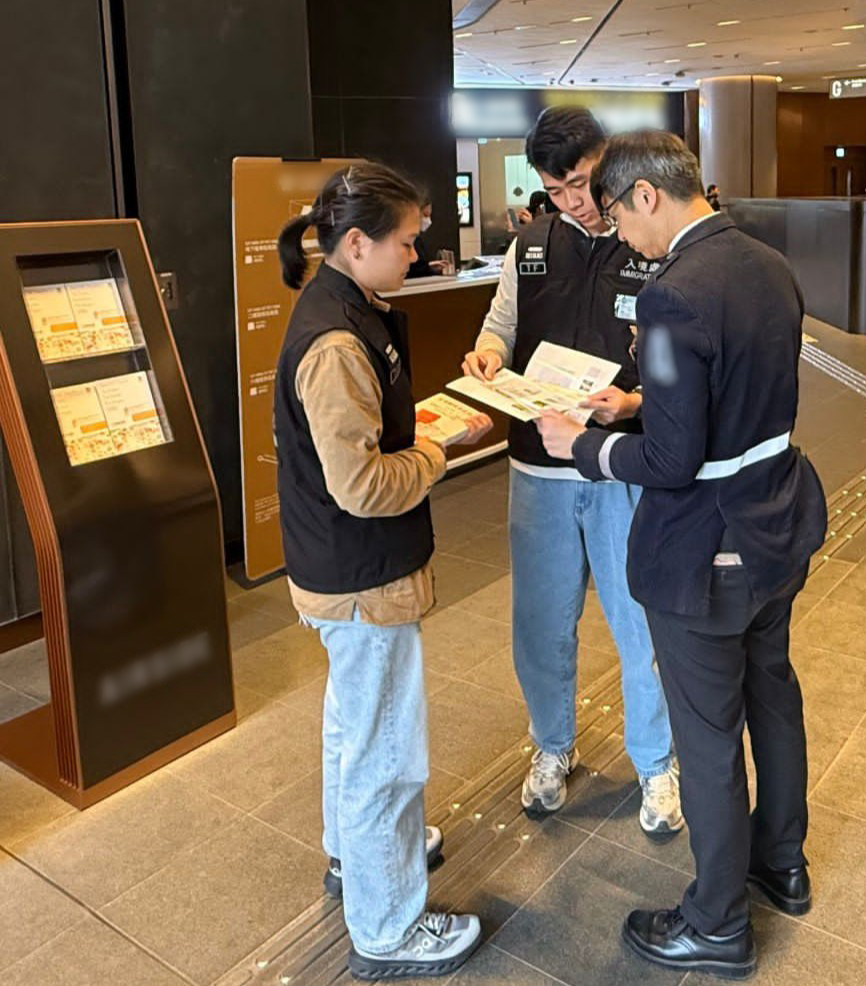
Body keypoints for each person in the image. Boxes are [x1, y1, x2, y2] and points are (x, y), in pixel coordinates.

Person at [538, 131, 827, 978]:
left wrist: (582, 446)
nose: (622, 236)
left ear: (647, 196)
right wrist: (639, 402)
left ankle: (716, 922)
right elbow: (732, 389)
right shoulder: (768, 264)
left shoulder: (672, 294)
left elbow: (671, 463)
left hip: (708, 551)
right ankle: (783, 865)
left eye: (619, 216)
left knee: (706, 736)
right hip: (776, 527)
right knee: (773, 698)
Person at [275, 162, 492, 981]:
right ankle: (389, 925)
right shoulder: (336, 343)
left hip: (340, 565)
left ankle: (354, 855)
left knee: (354, 725)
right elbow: (362, 486)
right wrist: (439, 447)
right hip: (360, 575)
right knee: (386, 754)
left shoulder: (345, 306)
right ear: (357, 243)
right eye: (405, 242)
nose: (416, 256)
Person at [461, 106, 682, 838]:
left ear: (607, 161)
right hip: (538, 468)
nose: (573, 203)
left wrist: (637, 405)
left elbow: (682, 358)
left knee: (640, 621)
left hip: (622, 465)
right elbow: (500, 326)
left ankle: (656, 763)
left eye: (582, 184)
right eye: (555, 191)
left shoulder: (647, 238)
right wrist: (488, 355)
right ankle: (553, 746)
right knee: (541, 624)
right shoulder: (530, 245)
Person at [404, 199, 451, 278]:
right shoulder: (407, 237)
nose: (428, 220)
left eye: (429, 216)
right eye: (425, 215)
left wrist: (428, 267)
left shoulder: (418, 240)